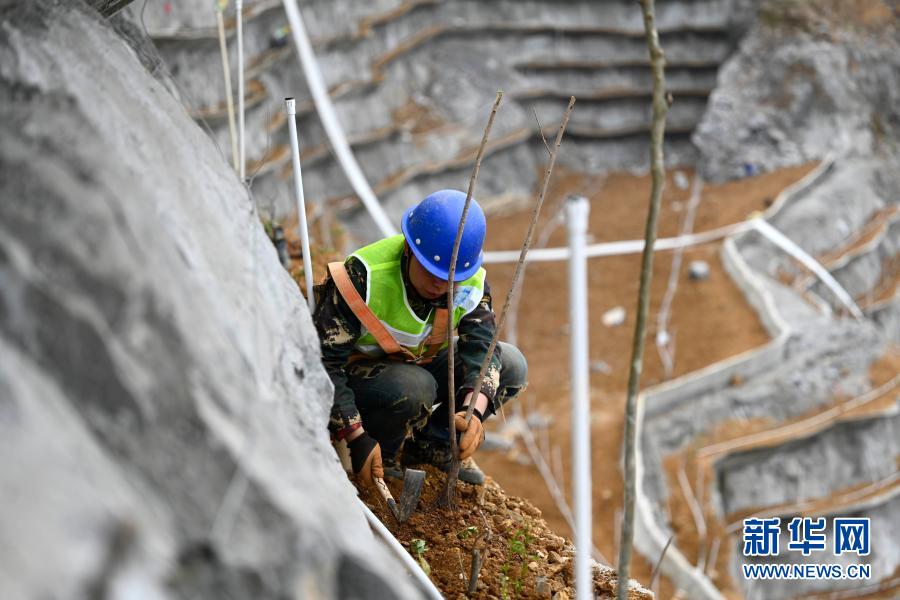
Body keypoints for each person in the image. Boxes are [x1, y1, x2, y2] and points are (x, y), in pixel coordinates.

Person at [313, 189, 528, 488]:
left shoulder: (469, 284)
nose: (440, 285)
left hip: (416, 363)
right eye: (430, 272)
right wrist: (354, 434)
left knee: (512, 365)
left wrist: (473, 411)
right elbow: (324, 363)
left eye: (450, 278)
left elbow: (483, 349)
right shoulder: (364, 276)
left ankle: (432, 445)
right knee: (415, 386)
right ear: (410, 250)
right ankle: (382, 456)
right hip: (361, 379)